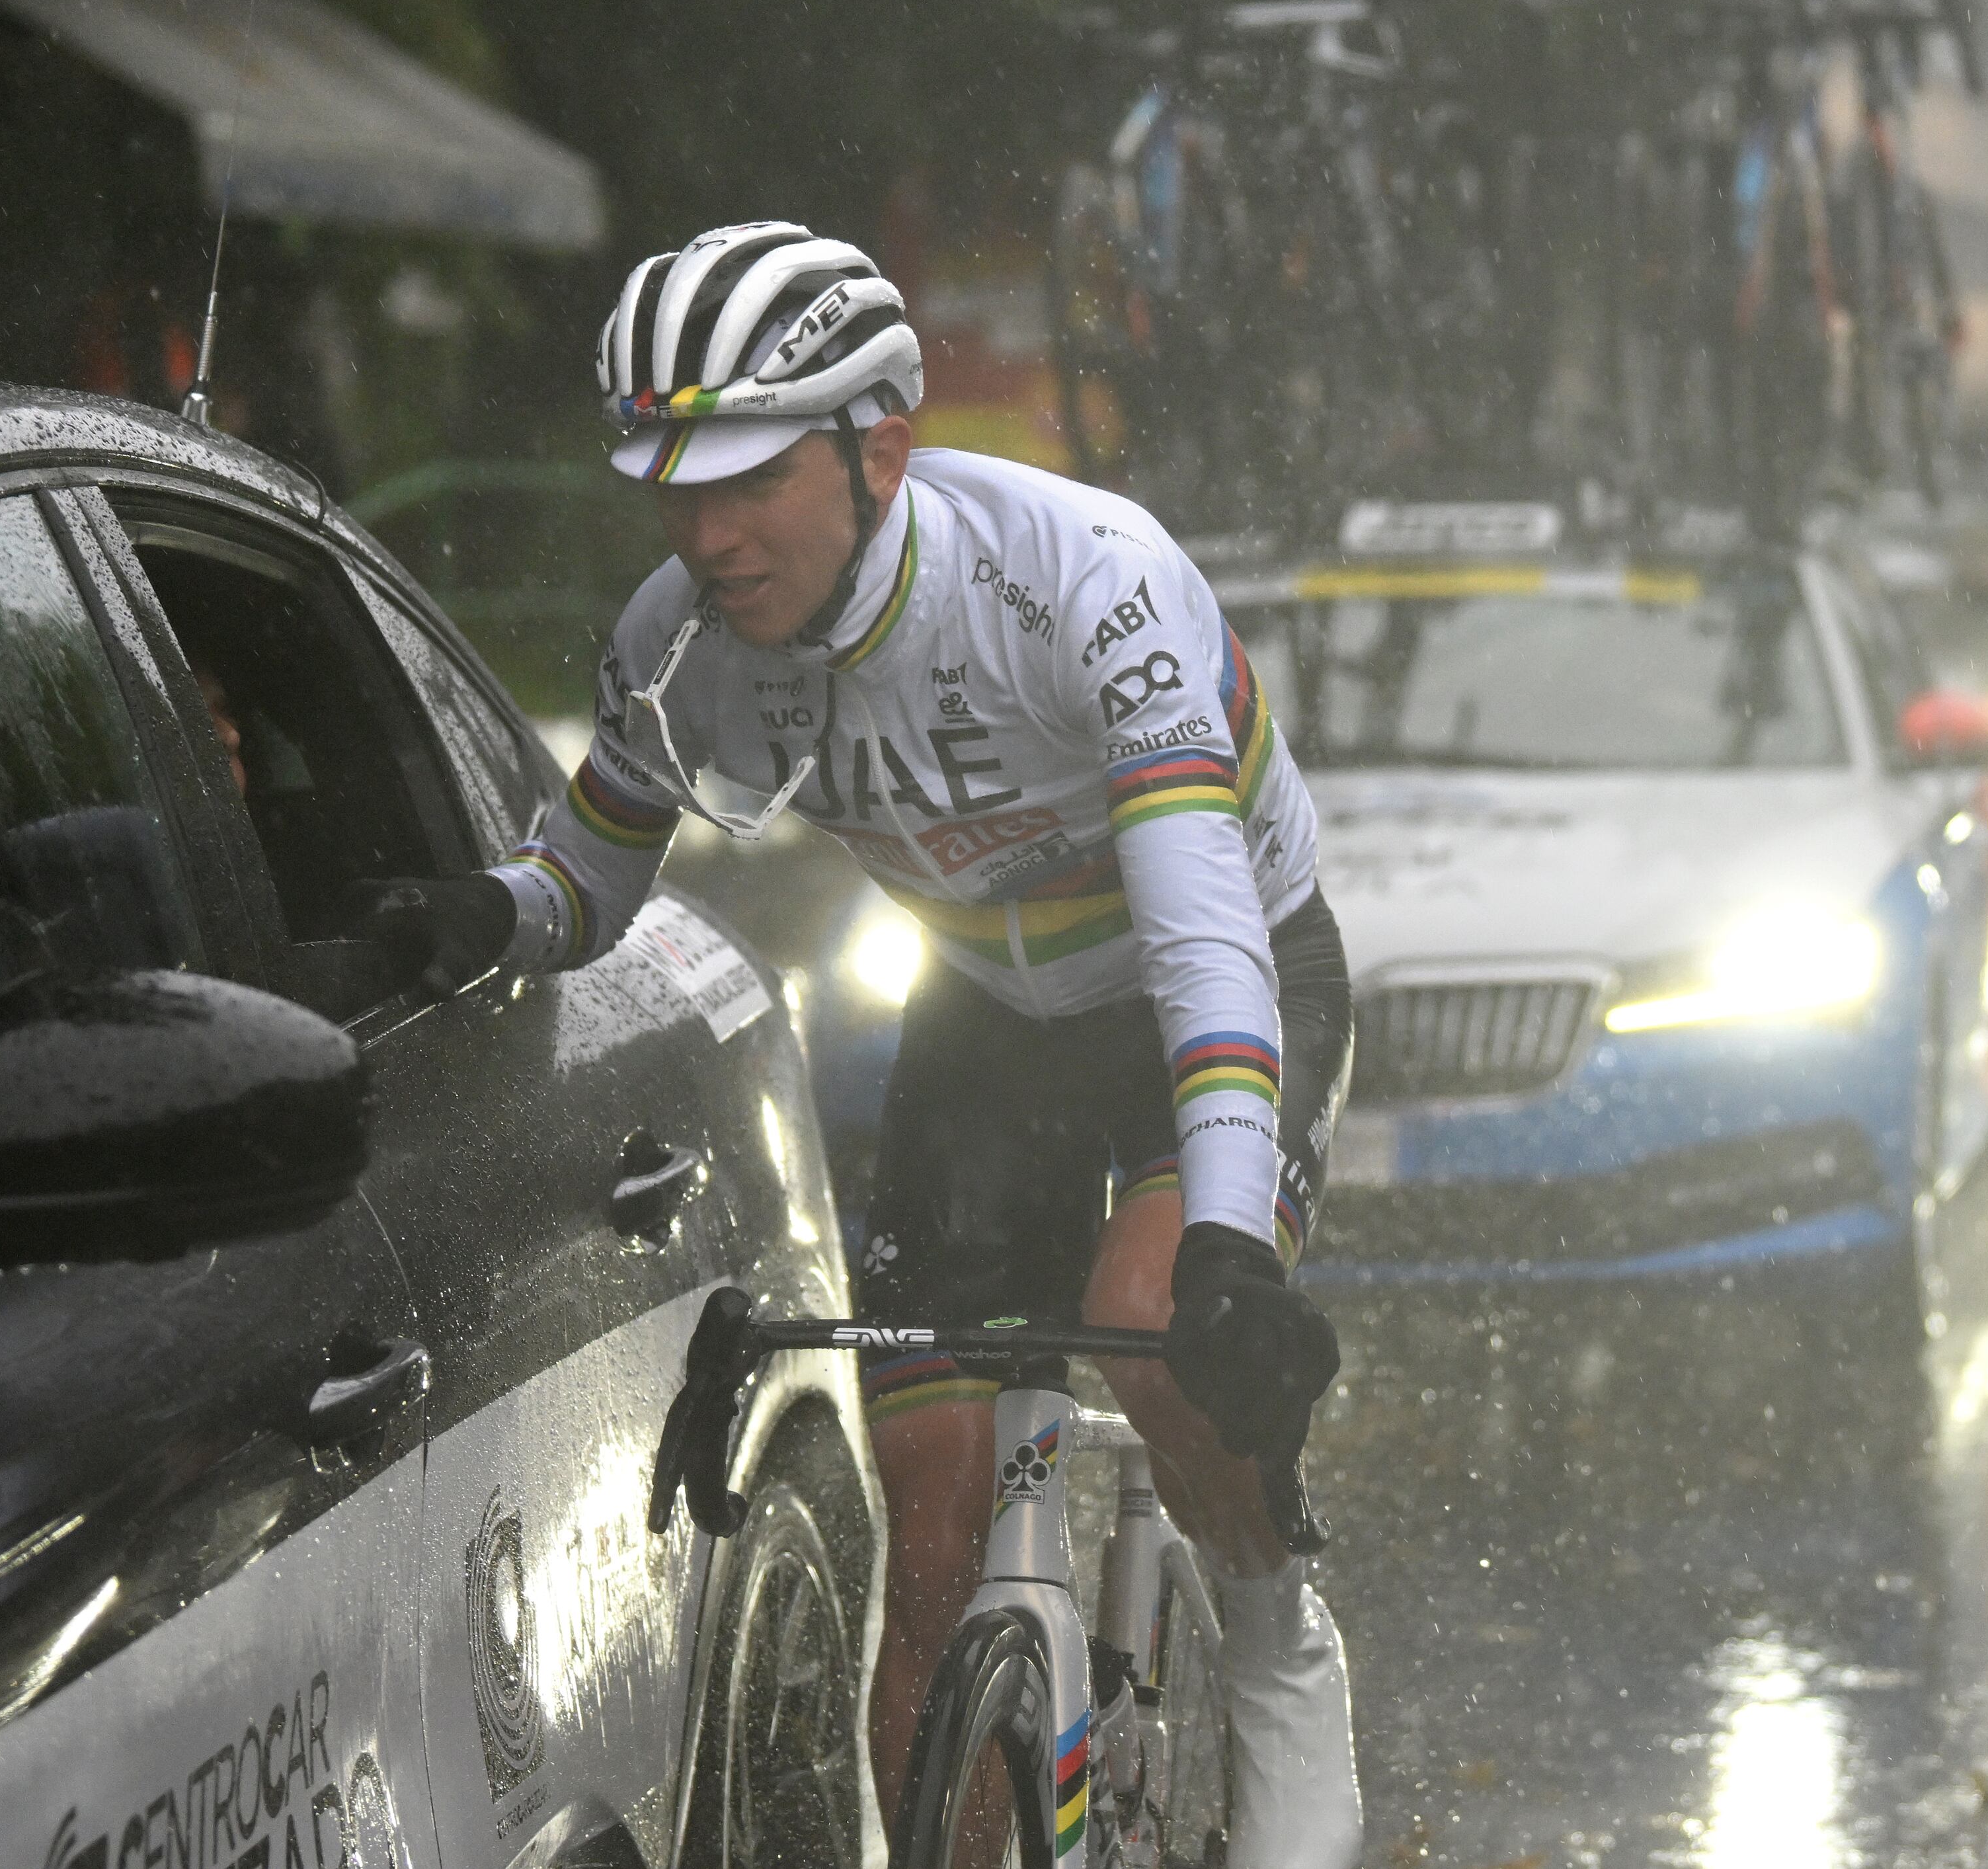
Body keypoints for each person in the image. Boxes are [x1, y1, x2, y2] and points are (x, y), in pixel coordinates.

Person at [370, 221, 1361, 1865]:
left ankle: (1273, 1637)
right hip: (988, 1009)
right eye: (667, 484)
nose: (705, 531)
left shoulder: (1088, 585)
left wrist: (1234, 1247)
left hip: (1223, 974)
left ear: (877, 445)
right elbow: (590, 872)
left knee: (1149, 1315)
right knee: (927, 1488)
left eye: (746, 478)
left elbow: (1203, 941)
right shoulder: (679, 641)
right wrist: (482, 917)